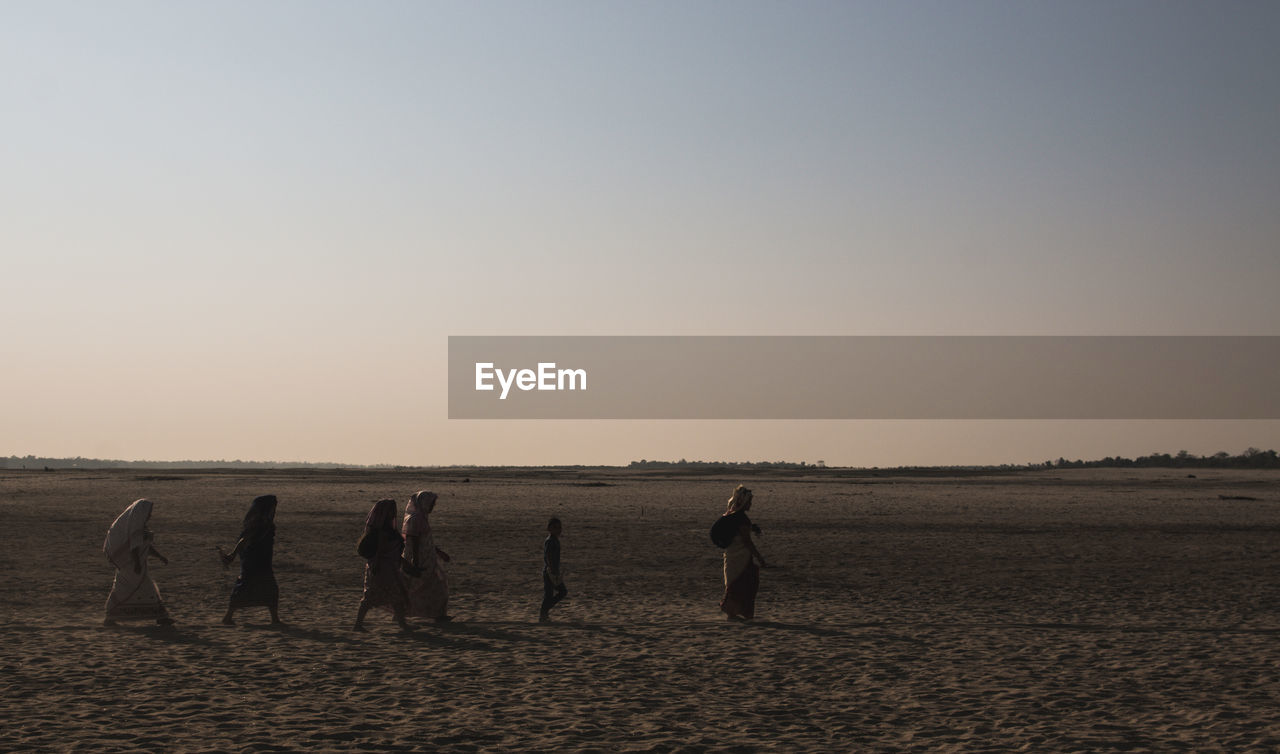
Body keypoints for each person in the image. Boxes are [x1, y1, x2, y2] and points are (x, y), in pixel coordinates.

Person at [103, 498, 174, 626]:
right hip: (132, 566)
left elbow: (145, 547)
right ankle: (111, 617)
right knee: (131, 589)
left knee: (134, 589)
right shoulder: (135, 528)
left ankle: (160, 617)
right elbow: (134, 548)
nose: (150, 515)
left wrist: (160, 556)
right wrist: (137, 564)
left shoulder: (140, 527)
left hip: (137, 565)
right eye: (148, 513)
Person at [219, 494, 282, 626]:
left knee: (269, 588)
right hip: (254, 561)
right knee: (246, 587)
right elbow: (244, 539)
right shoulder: (259, 523)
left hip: (262, 561)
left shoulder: (266, 523)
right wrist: (233, 554)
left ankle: (274, 619)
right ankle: (228, 617)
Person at [354, 498, 409, 631]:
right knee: (371, 597)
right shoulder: (381, 533)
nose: (393, 513)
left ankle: (403, 625)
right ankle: (358, 625)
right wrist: (377, 566)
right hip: (382, 569)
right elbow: (379, 552)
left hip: (389, 568)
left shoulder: (389, 531)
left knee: (394, 597)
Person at [401, 490, 452, 622]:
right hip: (422, 560)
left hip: (428, 557)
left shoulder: (421, 518)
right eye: (431, 504)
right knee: (429, 587)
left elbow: (425, 540)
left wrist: (439, 552)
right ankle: (401, 613)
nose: (432, 507)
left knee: (434, 587)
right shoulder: (416, 519)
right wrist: (416, 563)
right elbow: (415, 542)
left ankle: (438, 615)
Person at [718, 485, 767, 621]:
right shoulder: (742, 519)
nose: (751, 504)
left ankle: (732, 613)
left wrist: (752, 528)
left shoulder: (730, 515)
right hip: (741, 558)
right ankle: (733, 612)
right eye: (749, 502)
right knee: (744, 583)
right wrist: (760, 559)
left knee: (736, 584)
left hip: (731, 556)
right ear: (744, 502)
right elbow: (747, 542)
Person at [539, 517, 567, 622]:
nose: (558, 530)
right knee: (552, 594)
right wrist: (552, 570)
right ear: (549, 528)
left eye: (560, 527)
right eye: (555, 527)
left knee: (560, 592)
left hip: (553, 572)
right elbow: (548, 556)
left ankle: (544, 612)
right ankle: (543, 614)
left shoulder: (554, 540)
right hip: (549, 573)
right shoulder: (550, 541)